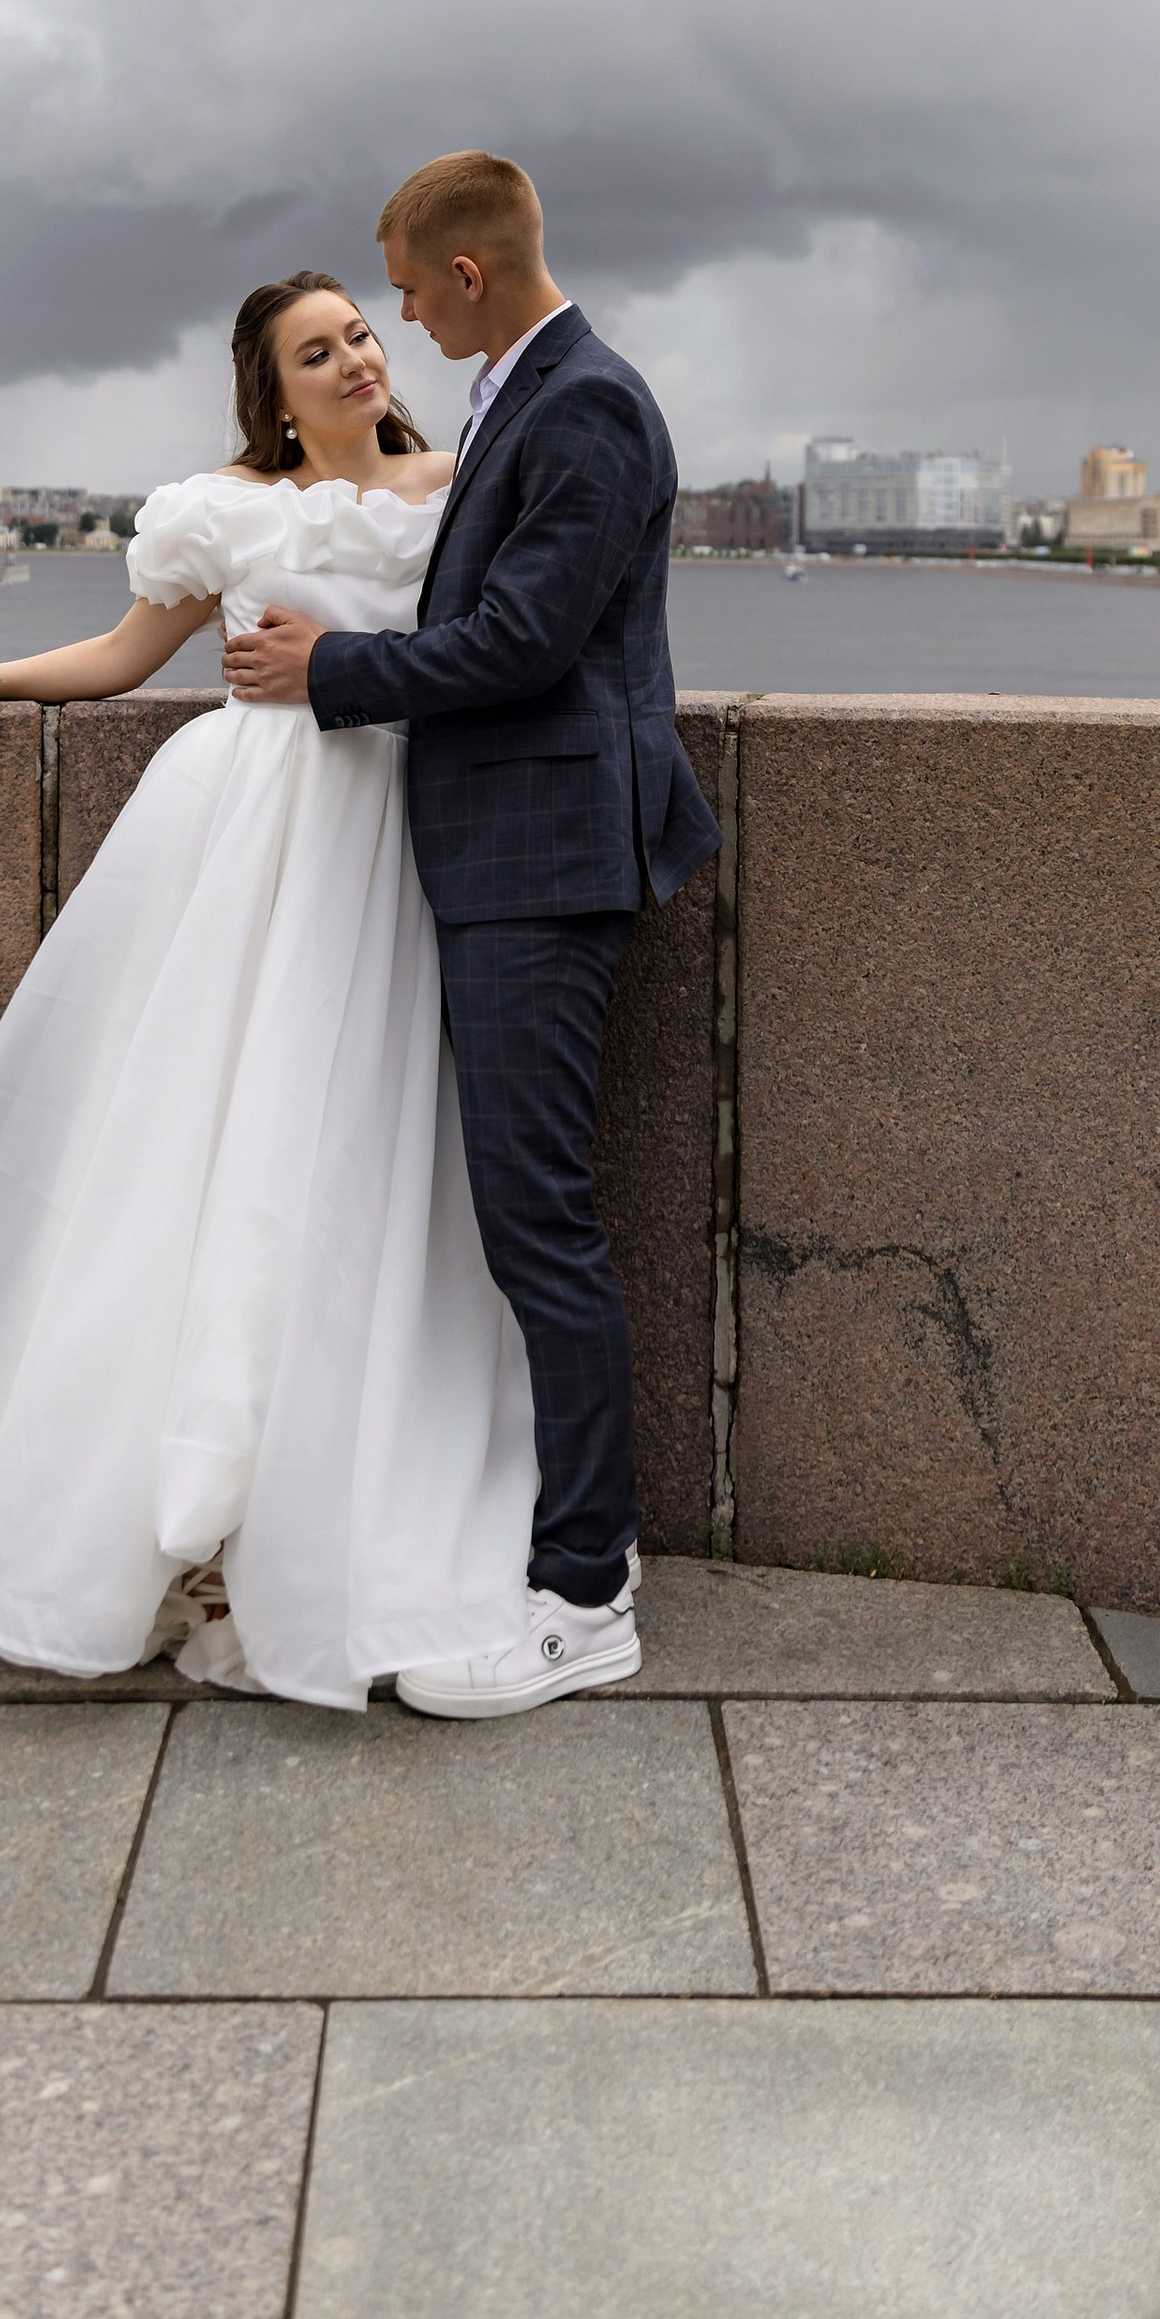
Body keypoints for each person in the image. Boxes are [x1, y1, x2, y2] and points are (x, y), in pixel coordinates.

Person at [0, 269, 542, 1711]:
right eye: (315, 351)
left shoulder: (458, 483)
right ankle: (172, 1518)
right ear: (270, 391)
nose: (353, 359)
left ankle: (288, 1505)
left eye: (359, 335)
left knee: (342, 1160)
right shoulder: (221, 511)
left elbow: (498, 647)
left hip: (390, 834)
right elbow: (117, 660)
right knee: (199, 1148)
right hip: (243, 835)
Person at [223, 151, 717, 1715]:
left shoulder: (588, 404)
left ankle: (588, 1591)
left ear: (470, 279)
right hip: (508, 853)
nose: (400, 327)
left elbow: (521, 642)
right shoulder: (534, 392)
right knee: (523, 1218)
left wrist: (334, 671)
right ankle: (551, 1551)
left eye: (412, 294)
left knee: (537, 1224)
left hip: (545, 860)